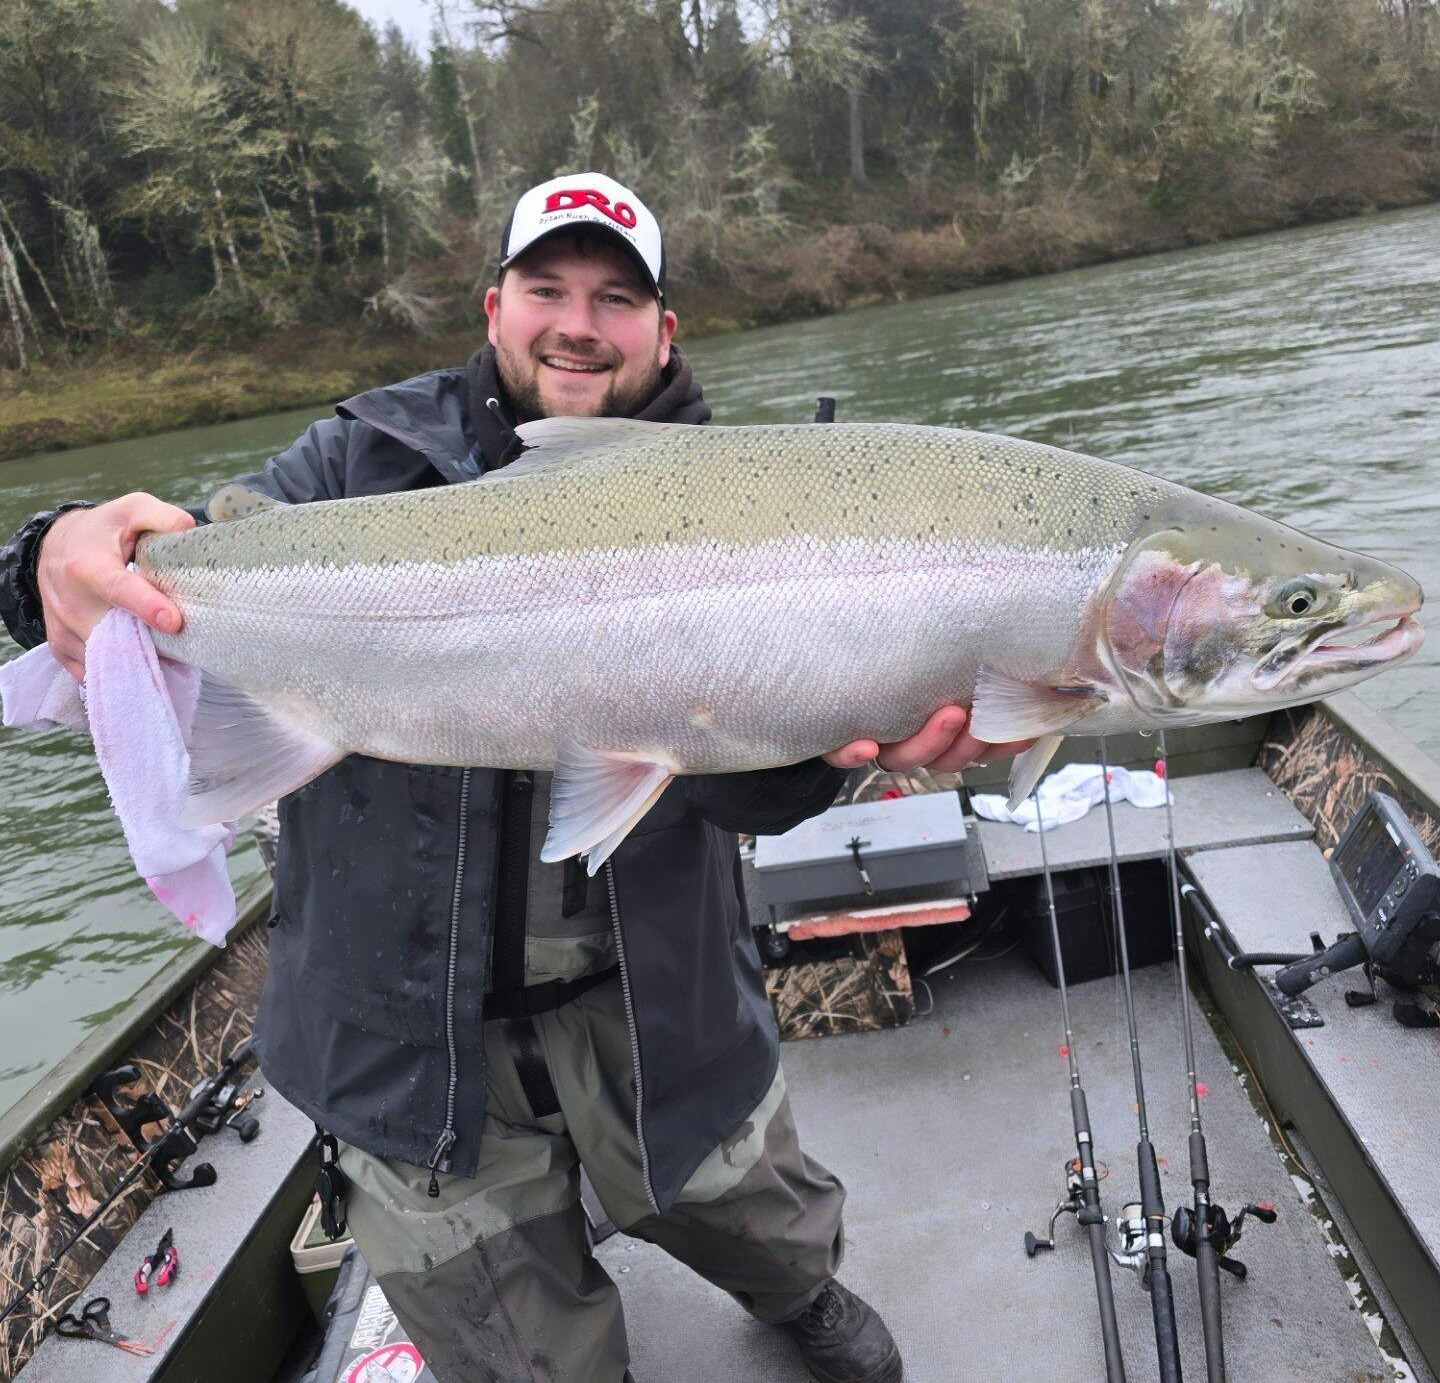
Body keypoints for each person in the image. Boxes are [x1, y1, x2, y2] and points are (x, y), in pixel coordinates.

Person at [0, 172, 1026, 1383]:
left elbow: (746, 797)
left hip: (660, 1001)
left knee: (761, 1213)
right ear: (495, 308)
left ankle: (800, 1296)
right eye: (548, 289)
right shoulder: (356, 459)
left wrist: (836, 749)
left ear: (664, 330)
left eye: (615, 298)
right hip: (400, 1034)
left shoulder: (754, 497)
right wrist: (53, 554)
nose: (578, 324)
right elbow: (159, 556)